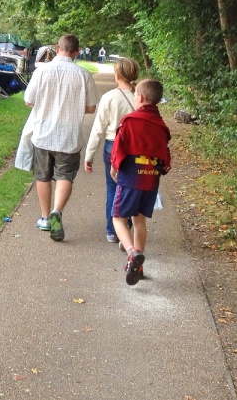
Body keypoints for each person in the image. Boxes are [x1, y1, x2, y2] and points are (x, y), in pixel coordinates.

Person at [22, 34, 98, 241]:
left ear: (57, 48)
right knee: (65, 175)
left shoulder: (41, 71)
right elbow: (91, 108)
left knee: (43, 175)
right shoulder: (84, 75)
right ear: (77, 52)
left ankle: (45, 218)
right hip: (69, 137)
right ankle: (58, 211)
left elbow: (28, 101)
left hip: (43, 134)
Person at [110, 78, 171, 285]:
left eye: (136, 95)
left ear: (141, 98)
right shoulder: (161, 126)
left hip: (131, 177)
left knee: (118, 218)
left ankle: (132, 252)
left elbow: (118, 149)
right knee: (139, 220)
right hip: (151, 181)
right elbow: (164, 156)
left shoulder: (130, 121)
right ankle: (139, 267)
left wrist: (114, 167)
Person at [83, 57, 141, 243]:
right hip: (136, 148)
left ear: (117, 75)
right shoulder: (142, 97)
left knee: (112, 188)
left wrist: (89, 155)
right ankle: (128, 226)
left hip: (113, 146)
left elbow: (98, 129)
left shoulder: (109, 97)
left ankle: (113, 230)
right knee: (132, 187)